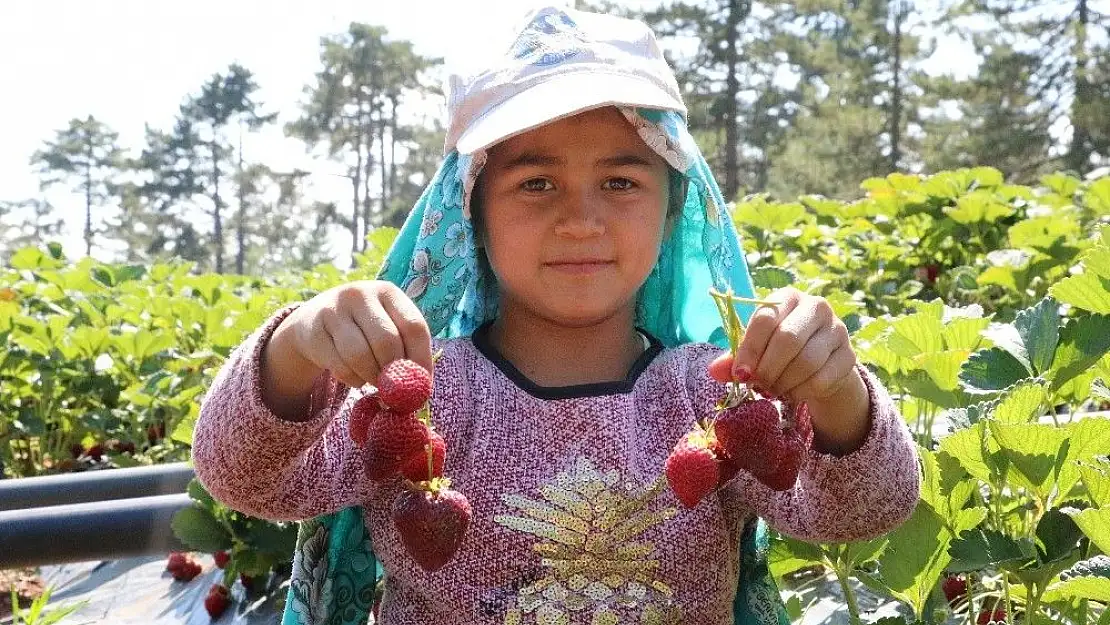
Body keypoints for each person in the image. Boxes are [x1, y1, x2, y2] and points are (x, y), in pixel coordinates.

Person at [191, 6, 920, 624]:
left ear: (673, 213)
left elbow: (860, 509)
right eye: (536, 182)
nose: (581, 218)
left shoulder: (717, 396)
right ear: (470, 215)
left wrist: (837, 393)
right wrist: (295, 351)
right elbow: (245, 476)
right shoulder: (417, 401)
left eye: (620, 179)